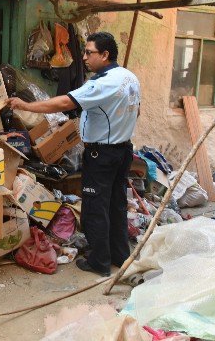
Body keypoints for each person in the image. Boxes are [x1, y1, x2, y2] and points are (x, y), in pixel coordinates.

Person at [7, 31, 140, 276]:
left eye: (89, 53)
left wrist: (24, 105)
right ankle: (120, 255)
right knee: (116, 204)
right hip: (122, 149)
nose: (85, 58)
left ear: (105, 54)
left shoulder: (102, 83)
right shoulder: (129, 77)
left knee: (95, 207)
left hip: (102, 154)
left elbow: (63, 104)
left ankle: (99, 262)